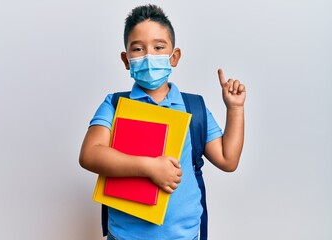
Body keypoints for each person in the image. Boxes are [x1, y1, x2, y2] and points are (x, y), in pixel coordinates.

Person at [79, 4, 246, 240]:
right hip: (125, 236)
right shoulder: (115, 104)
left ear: (174, 56)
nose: (149, 56)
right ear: (126, 60)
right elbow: (89, 155)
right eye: (138, 49)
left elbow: (228, 160)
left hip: (184, 236)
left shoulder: (193, 107)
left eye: (159, 47)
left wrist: (235, 108)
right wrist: (150, 167)